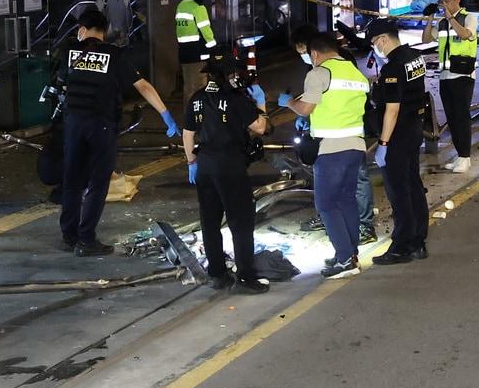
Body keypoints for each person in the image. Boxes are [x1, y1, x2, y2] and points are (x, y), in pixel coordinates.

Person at [59, 9, 173, 255]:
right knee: (99, 182)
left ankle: (69, 235)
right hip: (100, 125)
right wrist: (165, 114)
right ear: (104, 32)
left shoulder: (70, 52)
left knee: (72, 180)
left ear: (82, 30)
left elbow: (62, 84)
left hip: (73, 123)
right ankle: (85, 239)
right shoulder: (114, 55)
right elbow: (142, 85)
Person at [182, 52, 269, 293]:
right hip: (230, 166)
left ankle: (217, 275)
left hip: (205, 166)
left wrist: (191, 162)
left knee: (209, 222)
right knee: (240, 222)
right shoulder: (236, 98)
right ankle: (245, 277)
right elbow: (261, 128)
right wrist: (261, 104)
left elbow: (188, 133)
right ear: (229, 74)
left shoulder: (197, 98)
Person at [289, 33, 372, 278]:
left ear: (315, 54)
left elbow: (305, 108)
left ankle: (345, 259)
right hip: (356, 147)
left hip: (330, 150)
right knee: (346, 200)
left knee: (326, 204)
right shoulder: (355, 73)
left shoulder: (318, 73)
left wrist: (288, 103)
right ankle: (349, 253)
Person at [364, 19, 431, 265]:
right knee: (413, 184)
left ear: (382, 39)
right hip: (415, 128)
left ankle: (401, 245)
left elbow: (391, 110)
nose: (374, 48)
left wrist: (382, 144)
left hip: (397, 134)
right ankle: (418, 242)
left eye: (374, 43)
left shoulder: (392, 68)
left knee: (399, 191)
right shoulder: (414, 56)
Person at [422, 0, 477, 173]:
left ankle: (465, 157)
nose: (445, 5)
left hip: (463, 75)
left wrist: (451, 17)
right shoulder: (443, 22)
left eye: (448, 1)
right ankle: (460, 156)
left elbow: (464, 34)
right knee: (452, 118)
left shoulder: (469, 18)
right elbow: (426, 39)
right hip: (445, 76)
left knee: (461, 117)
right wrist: (430, 19)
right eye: (442, 2)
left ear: (457, 0)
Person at [174, 0, 218, 106]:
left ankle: (190, 119)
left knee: (189, 88)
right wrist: (214, 47)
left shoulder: (181, 6)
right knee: (200, 87)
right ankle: (198, 120)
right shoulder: (198, 7)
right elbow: (205, 30)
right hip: (198, 53)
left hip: (184, 53)